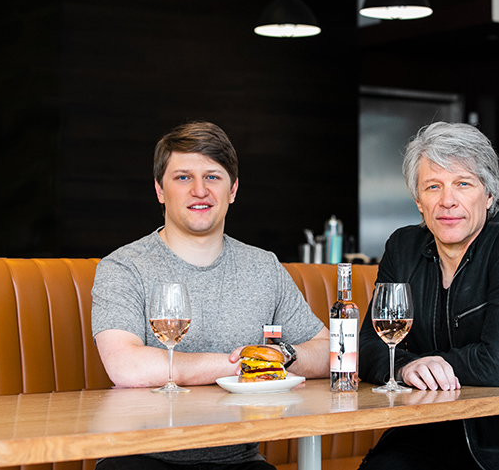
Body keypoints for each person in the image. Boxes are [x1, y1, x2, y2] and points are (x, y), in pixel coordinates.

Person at [91, 121, 329, 470]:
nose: (199, 190)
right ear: (160, 190)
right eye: (183, 177)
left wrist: (282, 354)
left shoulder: (263, 267)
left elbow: (326, 350)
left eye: (213, 177)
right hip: (139, 457)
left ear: (233, 190)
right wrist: (248, 365)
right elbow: (126, 367)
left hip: (238, 461)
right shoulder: (124, 267)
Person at [358, 122, 499, 470]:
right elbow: (369, 347)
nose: (448, 201)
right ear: (419, 200)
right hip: (427, 434)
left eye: (463, 184)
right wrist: (406, 366)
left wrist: (422, 361)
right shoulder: (403, 247)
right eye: (433, 186)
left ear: (489, 195)